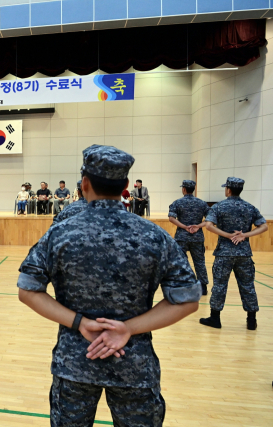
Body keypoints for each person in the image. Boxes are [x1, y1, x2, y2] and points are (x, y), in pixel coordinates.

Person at [18, 144, 201, 426]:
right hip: (134, 364)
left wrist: (79, 322)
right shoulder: (154, 235)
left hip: (75, 363)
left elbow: (27, 290)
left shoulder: (61, 233)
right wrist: (128, 328)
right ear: (126, 186)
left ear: (85, 184)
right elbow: (188, 299)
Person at [200, 177, 268, 330]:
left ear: (228, 190)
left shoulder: (219, 207)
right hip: (244, 254)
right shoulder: (249, 207)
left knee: (219, 286)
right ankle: (251, 321)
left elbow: (209, 226)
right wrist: (245, 235)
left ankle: (215, 319)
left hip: (224, 254)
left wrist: (227, 235)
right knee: (248, 286)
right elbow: (264, 226)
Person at [168, 180, 210, 295]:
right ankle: (203, 287)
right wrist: (198, 226)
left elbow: (171, 218)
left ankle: (183, 284)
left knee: (181, 262)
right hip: (197, 237)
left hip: (182, 237)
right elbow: (210, 219)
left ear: (184, 189)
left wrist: (184, 227)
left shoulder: (177, 203)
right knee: (200, 262)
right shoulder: (202, 203)